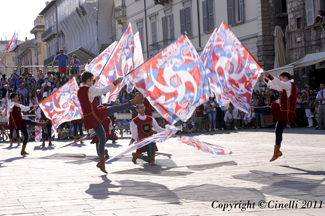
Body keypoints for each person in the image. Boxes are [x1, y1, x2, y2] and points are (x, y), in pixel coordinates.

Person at [77, 71, 143, 174]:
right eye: (91, 80)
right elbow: (103, 90)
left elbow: (89, 88)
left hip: (89, 117)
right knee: (115, 108)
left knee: (102, 138)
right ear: (88, 80)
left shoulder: (80, 89)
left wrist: (95, 80)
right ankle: (134, 101)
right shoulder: (90, 89)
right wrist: (116, 82)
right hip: (95, 114)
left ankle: (101, 162)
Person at [251, 71, 297, 162]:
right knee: (271, 109)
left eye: (280, 79)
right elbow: (276, 86)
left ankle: (277, 151)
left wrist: (270, 76)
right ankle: (253, 109)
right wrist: (265, 80)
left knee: (278, 130)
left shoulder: (289, 84)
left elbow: (278, 83)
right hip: (283, 110)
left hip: (285, 112)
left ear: (285, 78)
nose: (280, 81)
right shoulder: (287, 86)